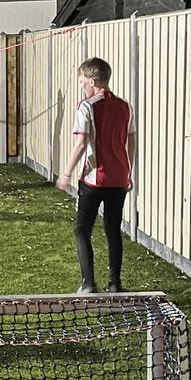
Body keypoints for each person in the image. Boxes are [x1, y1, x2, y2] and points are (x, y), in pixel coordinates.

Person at [56, 57, 135, 294]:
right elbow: (132, 141)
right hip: (119, 179)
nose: (82, 86)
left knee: (82, 229)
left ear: (92, 80)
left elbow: (81, 144)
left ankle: (88, 284)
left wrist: (66, 173)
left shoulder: (87, 106)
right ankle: (114, 285)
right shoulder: (124, 106)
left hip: (94, 179)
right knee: (113, 230)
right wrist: (128, 171)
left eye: (82, 82)